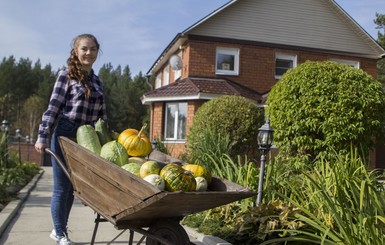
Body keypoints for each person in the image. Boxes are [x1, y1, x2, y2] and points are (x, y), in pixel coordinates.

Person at [35, 34, 107, 245]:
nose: (89, 53)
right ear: (76, 51)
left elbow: (103, 116)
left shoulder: (97, 80)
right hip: (65, 134)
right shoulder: (65, 76)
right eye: (84, 49)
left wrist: (106, 139)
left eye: (93, 49)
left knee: (74, 188)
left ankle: (59, 230)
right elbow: (53, 108)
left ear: (97, 52)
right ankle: (60, 233)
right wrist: (43, 136)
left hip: (87, 138)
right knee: (62, 187)